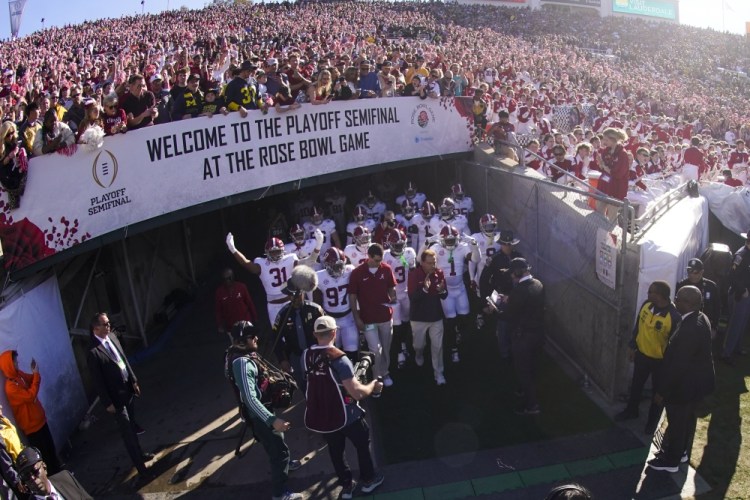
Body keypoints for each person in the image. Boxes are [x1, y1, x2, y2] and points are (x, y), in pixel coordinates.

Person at [302, 316, 385, 499]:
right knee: (363, 443)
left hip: (323, 415)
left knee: (335, 450)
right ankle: (369, 480)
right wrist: (372, 385)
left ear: (315, 334)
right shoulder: (339, 358)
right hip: (346, 415)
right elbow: (357, 393)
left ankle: (346, 485)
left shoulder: (306, 355)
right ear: (334, 332)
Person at [227, 321, 302, 500]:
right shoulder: (242, 364)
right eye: (252, 336)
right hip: (260, 415)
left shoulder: (239, 354)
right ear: (242, 340)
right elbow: (250, 399)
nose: (256, 338)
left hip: (262, 411)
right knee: (279, 451)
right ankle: (280, 493)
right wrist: (272, 420)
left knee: (274, 446)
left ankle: (283, 464)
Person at [648, 286, 715, 472]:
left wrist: (662, 391)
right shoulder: (701, 317)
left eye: (677, 298)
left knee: (677, 424)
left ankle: (671, 461)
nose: (674, 301)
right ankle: (682, 452)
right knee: (686, 422)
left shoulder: (689, 329)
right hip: (695, 385)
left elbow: (678, 366)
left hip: (683, 387)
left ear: (687, 303)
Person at [86, 312, 153, 480]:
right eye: (105, 324)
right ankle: (141, 467)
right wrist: (107, 402)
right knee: (127, 432)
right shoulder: (93, 352)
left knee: (133, 426)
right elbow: (98, 381)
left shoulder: (113, 338)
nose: (109, 326)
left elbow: (124, 360)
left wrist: (134, 380)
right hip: (115, 398)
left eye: (109, 323)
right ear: (96, 328)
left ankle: (140, 454)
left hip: (127, 389)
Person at [615, 281, 680, 434]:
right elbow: (638, 326)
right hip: (642, 356)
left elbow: (674, 347)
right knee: (636, 385)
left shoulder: (674, 317)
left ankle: (652, 422)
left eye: (651, 292)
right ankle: (631, 411)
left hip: (660, 362)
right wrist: (633, 345)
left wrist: (668, 367)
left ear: (660, 295)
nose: (648, 294)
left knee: (657, 394)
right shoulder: (646, 305)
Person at [226, 230, 322, 329]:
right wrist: (233, 249)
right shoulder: (261, 263)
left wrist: (318, 245)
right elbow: (246, 263)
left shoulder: (290, 259)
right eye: (272, 252)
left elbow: (310, 261)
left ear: (283, 251)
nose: (275, 255)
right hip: (274, 305)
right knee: (278, 333)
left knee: (297, 329)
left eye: (278, 251)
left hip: (290, 302)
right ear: (267, 252)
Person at [488, 258, 545, 415]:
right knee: (532, 368)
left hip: (523, 336)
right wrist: (510, 299)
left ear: (519, 272)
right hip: (538, 333)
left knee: (523, 371)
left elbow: (506, 316)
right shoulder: (538, 284)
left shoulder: (519, 290)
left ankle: (532, 405)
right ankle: (527, 393)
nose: (511, 277)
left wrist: (494, 309)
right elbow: (527, 303)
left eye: (512, 273)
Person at [421, 225, 479, 363]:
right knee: (450, 321)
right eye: (447, 241)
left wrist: (474, 246)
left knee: (465, 317)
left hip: (460, 289)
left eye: (452, 240)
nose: (450, 243)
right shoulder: (436, 248)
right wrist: (426, 244)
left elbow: (476, 259)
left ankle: (458, 334)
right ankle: (453, 349)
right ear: (441, 240)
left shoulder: (463, 247)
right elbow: (420, 260)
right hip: (446, 291)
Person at [0, 350, 61, 474]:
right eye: (15, 362)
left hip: (40, 420)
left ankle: (59, 471)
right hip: (32, 427)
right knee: (44, 456)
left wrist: (35, 373)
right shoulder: (10, 387)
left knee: (50, 449)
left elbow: (32, 379)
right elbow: (30, 396)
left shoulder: (19, 375)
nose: (17, 363)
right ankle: (54, 478)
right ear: (9, 365)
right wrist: (36, 374)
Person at [349, 244, 398, 386]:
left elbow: (391, 286)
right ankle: (377, 376)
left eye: (380, 260)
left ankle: (385, 371)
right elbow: (352, 297)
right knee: (375, 348)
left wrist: (393, 296)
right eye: (376, 260)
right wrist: (357, 318)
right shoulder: (357, 273)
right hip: (368, 319)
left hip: (385, 317)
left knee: (386, 347)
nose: (378, 263)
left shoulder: (386, 269)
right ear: (368, 257)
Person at [273, 277, 325, 393]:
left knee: (321, 382)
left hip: (315, 354)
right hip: (296, 356)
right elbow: (276, 339)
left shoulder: (315, 310)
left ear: (303, 292)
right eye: (291, 296)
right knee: (304, 385)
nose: (294, 299)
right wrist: (282, 360)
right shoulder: (283, 315)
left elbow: (326, 332)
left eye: (297, 295)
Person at [408, 248, 448, 385]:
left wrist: (442, 291)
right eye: (430, 263)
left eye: (434, 262)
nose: (433, 265)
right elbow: (412, 298)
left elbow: (444, 295)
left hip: (435, 316)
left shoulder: (439, 273)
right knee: (418, 345)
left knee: (437, 346)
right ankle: (419, 354)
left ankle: (439, 373)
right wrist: (424, 289)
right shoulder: (414, 275)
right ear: (422, 263)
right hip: (418, 317)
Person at [314, 247, 358, 360]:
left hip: (348, 318)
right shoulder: (319, 276)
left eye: (340, 265)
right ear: (327, 265)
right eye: (335, 266)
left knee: (352, 351)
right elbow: (317, 302)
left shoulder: (350, 271)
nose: (338, 269)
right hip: (330, 319)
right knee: (332, 353)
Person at [15, 446, 93, 499]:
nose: (32, 478)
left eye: (35, 471)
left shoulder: (65, 477)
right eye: (26, 476)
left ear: (44, 467)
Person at [721, 229, 750, 364]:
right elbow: (731, 276)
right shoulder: (741, 255)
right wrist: (742, 289)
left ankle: (737, 347)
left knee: (742, 323)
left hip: (745, 294)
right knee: (735, 324)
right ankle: (726, 353)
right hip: (739, 295)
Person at [676, 258, 720, 338]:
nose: (691, 275)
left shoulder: (711, 286)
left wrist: (714, 327)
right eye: (689, 271)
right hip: (685, 326)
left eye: (695, 272)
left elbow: (717, 307)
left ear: (702, 272)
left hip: (704, 325)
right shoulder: (681, 285)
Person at [215, 268, 258, 344]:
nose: (227, 281)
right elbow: (218, 310)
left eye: (229, 278)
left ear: (233, 277)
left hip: (245, 322)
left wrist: (255, 317)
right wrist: (220, 324)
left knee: (250, 344)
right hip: (231, 326)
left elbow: (249, 302)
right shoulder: (219, 292)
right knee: (237, 346)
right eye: (225, 279)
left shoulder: (241, 287)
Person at [0, 121, 28, 210]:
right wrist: (9, 156)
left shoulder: (16, 141)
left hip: (17, 170)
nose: (11, 137)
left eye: (12, 133)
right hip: (6, 174)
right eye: (8, 135)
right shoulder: (2, 145)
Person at [1, 404, 24, 498]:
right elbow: (6, 465)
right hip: (20, 473)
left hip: (25, 462)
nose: (1, 406)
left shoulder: (3, 420)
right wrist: (18, 481)